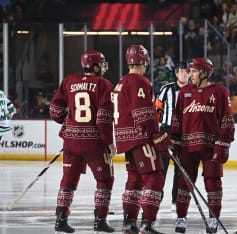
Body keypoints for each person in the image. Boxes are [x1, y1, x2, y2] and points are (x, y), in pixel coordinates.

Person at [49, 50, 116, 233]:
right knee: (105, 179)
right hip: (94, 143)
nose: (103, 68)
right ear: (95, 66)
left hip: (71, 141)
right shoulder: (103, 84)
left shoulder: (69, 81)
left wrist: (68, 118)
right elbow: (104, 117)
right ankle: (100, 220)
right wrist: (109, 142)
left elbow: (55, 111)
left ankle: (60, 220)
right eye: (101, 64)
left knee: (68, 181)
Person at [170, 57, 235, 233]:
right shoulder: (184, 93)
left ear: (204, 73)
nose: (190, 75)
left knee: (213, 184)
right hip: (188, 148)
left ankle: (213, 220)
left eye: (194, 71)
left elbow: (227, 120)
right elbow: (177, 119)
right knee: (184, 184)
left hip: (211, 148)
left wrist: (223, 144)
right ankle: (181, 218)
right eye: (189, 71)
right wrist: (174, 142)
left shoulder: (220, 92)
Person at [113, 45, 169, 234]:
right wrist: (157, 135)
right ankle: (148, 224)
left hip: (125, 139)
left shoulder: (120, 83)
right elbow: (144, 113)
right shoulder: (140, 82)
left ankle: (129, 223)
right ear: (143, 60)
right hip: (141, 138)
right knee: (154, 177)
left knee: (134, 180)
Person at [155, 61, 190, 211]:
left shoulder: (193, 90)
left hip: (185, 133)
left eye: (186, 71)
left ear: (189, 73)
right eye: (181, 71)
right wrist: (155, 130)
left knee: (180, 170)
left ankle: (176, 201)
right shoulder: (166, 89)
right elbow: (157, 109)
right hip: (167, 132)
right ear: (176, 73)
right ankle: (156, 197)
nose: (183, 73)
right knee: (161, 168)